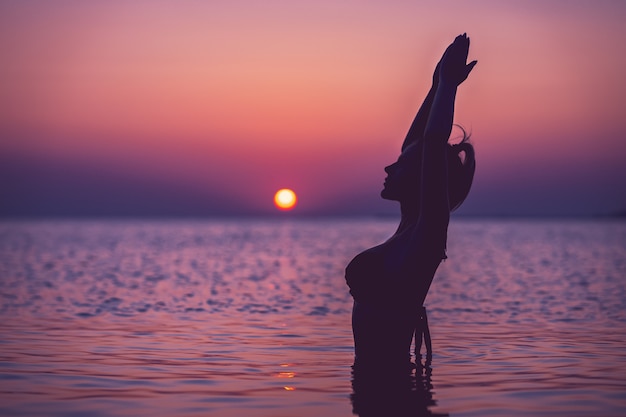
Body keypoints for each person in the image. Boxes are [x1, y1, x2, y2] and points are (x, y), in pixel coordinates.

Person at [345, 34, 477, 370]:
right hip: (374, 390)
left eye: (401, 166)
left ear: (422, 178)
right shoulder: (408, 229)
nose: (389, 167)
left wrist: (449, 86)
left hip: (392, 389)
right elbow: (417, 144)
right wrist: (435, 85)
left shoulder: (426, 236)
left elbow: (430, 145)